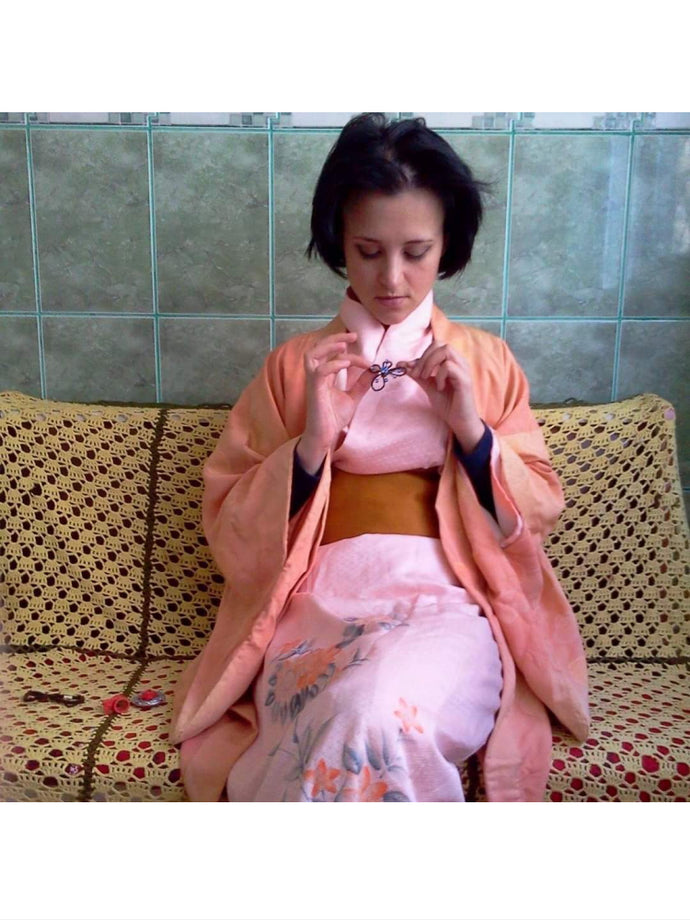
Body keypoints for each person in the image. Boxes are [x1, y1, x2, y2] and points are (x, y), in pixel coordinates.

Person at [170, 113, 590, 802]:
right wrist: (312, 445)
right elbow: (229, 521)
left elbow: (540, 507)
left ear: (447, 245)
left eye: (416, 251)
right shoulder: (292, 369)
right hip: (318, 607)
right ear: (340, 241)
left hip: (449, 604)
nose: (392, 278)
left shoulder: (486, 364)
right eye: (368, 251)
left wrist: (471, 431)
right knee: (340, 709)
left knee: (376, 711)